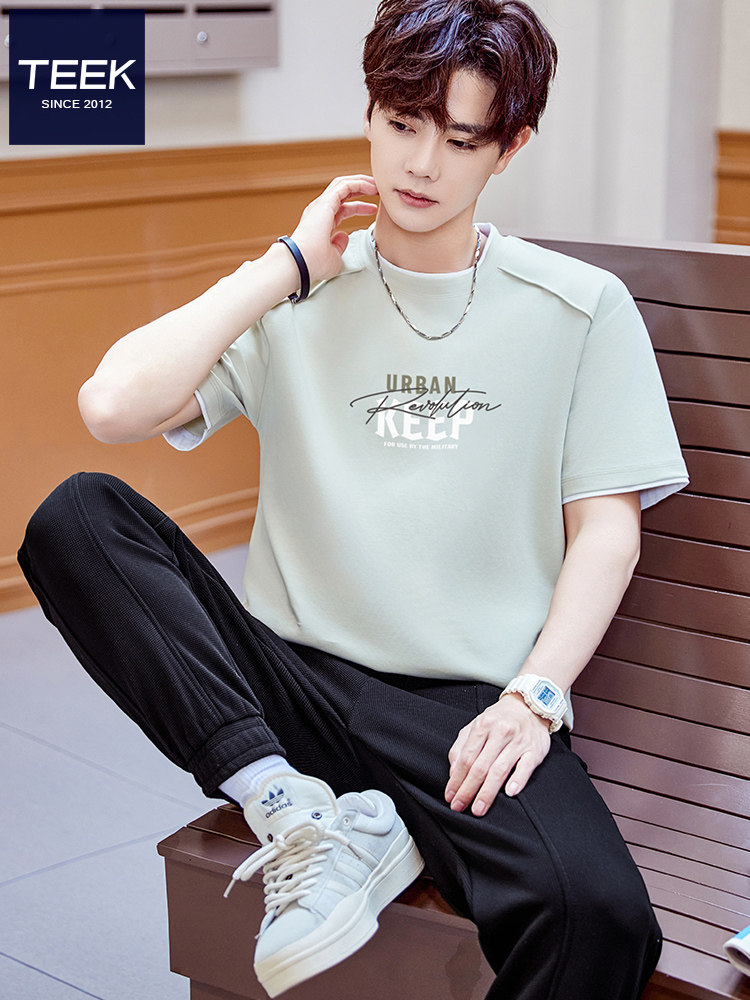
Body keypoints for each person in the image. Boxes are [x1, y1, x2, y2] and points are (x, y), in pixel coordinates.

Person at [18, 1, 689, 998]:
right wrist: (285, 267)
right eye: (402, 123)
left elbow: (606, 531)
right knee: (76, 516)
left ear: (509, 147)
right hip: (291, 681)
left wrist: (536, 698)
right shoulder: (298, 295)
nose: (421, 164)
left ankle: (372, 821)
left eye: (460, 139)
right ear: (370, 113)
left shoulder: (579, 308)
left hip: (464, 711)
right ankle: (292, 808)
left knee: (599, 913)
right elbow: (112, 406)